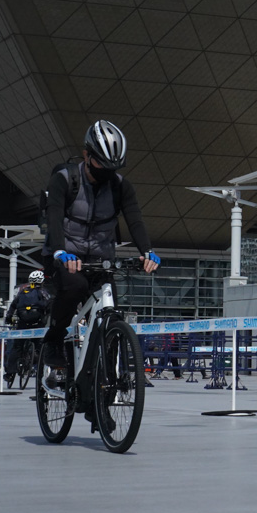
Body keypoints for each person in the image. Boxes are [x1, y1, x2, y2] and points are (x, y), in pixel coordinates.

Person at [42, 120, 159, 429]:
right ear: (86, 155)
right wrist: (58, 252)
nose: (106, 172)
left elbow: (134, 218)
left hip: (101, 259)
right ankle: (54, 342)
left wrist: (147, 251)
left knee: (110, 318)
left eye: (113, 167)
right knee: (73, 286)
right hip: (65, 256)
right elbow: (53, 217)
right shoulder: (65, 179)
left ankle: (98, 402)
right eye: (100, 164)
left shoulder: (120, 186)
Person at [3, 270, 50, 385]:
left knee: (16, 347)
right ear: (42, 281)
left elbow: (13, 305)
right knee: (40, 348)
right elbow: (49, 305)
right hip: (37, 323)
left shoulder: (23, 292)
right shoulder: (43, 292)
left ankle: (10, 373)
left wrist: (8, 318)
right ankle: (41, 374)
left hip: (22, 323)